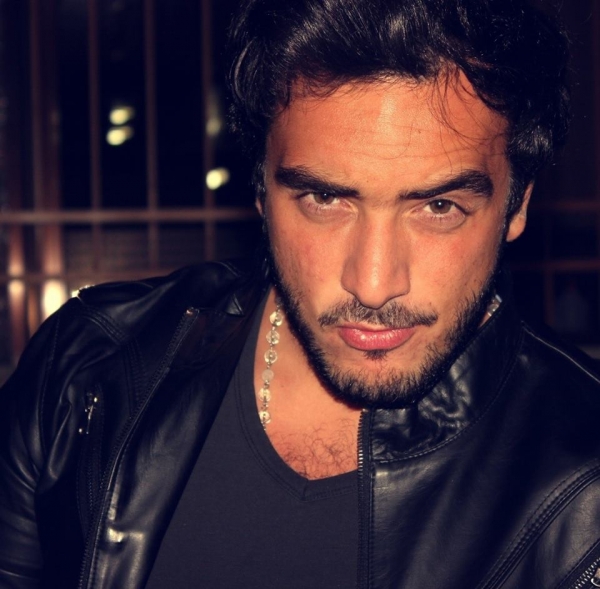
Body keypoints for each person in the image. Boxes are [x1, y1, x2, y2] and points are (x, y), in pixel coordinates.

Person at [1, 0, 599, 587]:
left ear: (517, 204)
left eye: (439, 207)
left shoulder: (586, 481)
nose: (373, 285)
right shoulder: (87, 367)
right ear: (261, 191)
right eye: (325, 199)